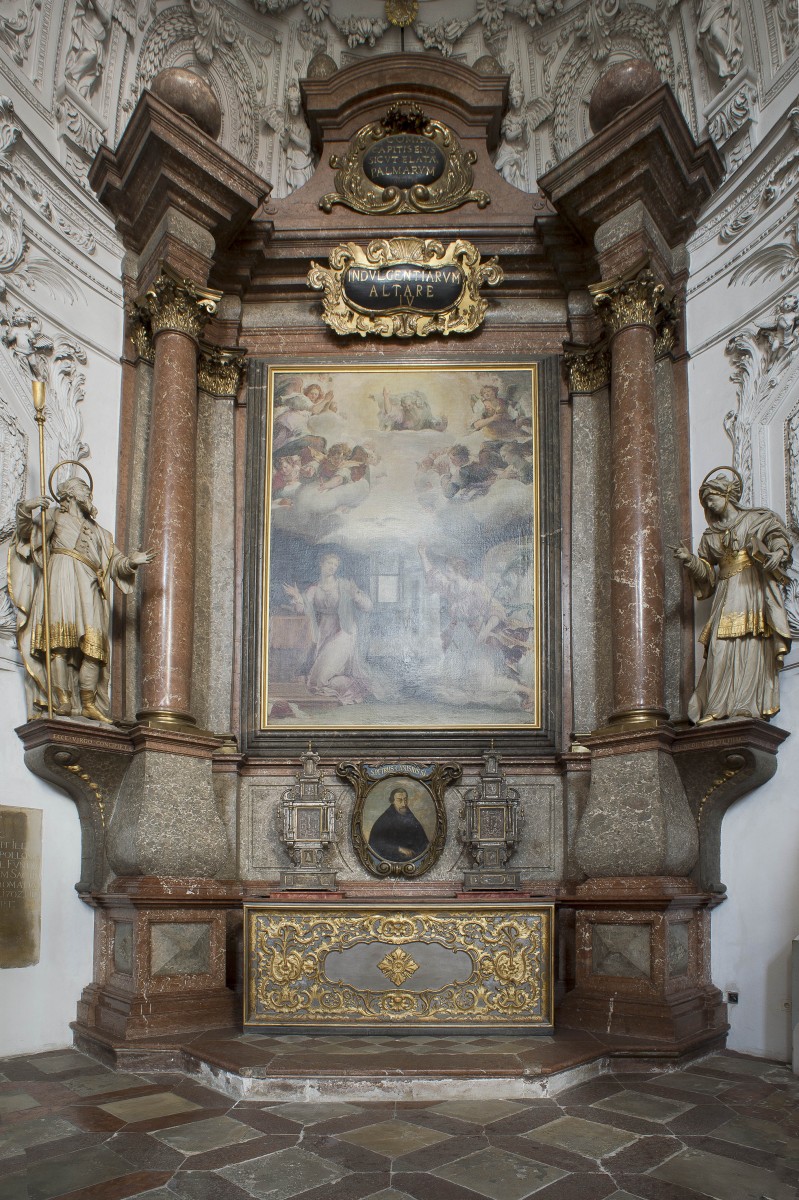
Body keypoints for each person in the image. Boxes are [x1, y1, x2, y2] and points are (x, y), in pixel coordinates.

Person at [9, 474, 153, 722]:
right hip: (61, 578)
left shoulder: (100, 532)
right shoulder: (54, 516)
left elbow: (115, 561)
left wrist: (130, 562)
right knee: (60, 645)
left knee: (94, 647)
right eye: (86, 492)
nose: (90, 497)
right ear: (73, 494)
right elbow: (27, 534)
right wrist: (28, 508)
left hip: (88, 585)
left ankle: (88, 703)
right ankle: (63, 700)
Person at [673, 466, 792, 723]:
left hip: (751, 588)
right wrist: (690, 560)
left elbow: (777, 537)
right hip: (726, 592)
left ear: (726, 494)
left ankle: (744, 706)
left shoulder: (756, 519)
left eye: (712, 498)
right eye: (706, 502)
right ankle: (716, 706)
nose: (709, 504)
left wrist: (778, 553)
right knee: (718, 646)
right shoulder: (710, 536)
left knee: (750, 641)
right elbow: (707, 574)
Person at [282, 553, 373, 704]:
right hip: (324, 632)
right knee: (315, 680)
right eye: (329, 563)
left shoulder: (344, 585)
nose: (332, 567)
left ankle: (351, 685)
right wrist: (297, 596)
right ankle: (349, 682)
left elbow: (368, 606)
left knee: (320, 679)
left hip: (344, 631)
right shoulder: (314, 589)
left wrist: (356, 595)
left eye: (335, 564)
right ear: (321, 564)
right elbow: (301, 609)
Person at [367, 788, 429, 863]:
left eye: (405, 800)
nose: (404, 804)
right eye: (399, 800)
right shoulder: (384, 820)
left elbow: (423, 841)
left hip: (414, 860)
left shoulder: (410, 817)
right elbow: (375, 844)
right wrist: (398, 849)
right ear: (392, 801)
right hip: (392, 860)